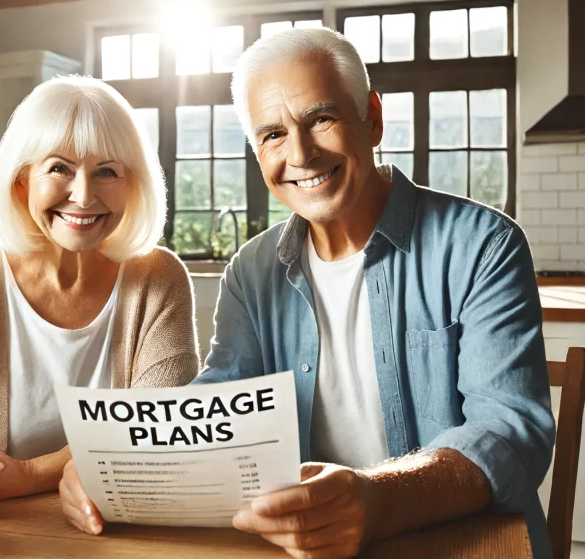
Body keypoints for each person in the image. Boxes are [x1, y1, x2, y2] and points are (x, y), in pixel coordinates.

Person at [59, 28, 555, 559]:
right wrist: (108, 467)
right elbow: (217, 407)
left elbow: (510, 432)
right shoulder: (251, 270)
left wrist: (378, 501)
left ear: (373, 119)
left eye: (321, 118)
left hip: (461, 544)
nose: (301, 154)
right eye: (272, 133)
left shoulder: (483, 244)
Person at [0, 76, 200, 521]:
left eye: (107, 171)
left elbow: (159, 429)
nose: (83, 195)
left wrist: (29, 474)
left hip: (114, 539)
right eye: (60, 168)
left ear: (132, 184)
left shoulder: (157, 278)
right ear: (22, 182)